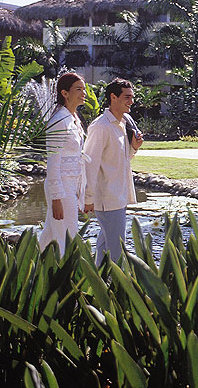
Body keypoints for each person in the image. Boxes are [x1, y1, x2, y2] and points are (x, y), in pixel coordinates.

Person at [83, 78, 143, 264]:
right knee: (117, 250)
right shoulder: (101, 126)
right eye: (127, 97)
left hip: (118, 195)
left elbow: (122, 159)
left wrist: (134, 147)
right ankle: (115, 288)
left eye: (132, 97)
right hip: (107, 198)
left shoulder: (123, 123)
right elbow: (89, 164)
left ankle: (98, 284)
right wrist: (88, 198)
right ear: (113, 97)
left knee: (105, 245)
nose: (131, 102)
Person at [40, 72, 88, 255]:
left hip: (70, 185)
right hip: (60, 187)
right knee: (67, 237)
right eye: (78, 89)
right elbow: (53, 163)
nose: (83, 93)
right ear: (65, 93)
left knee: (50, 235)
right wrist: (56, 198)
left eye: (83, 89)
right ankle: (65, 277)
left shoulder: (73, 119)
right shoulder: (58, 120)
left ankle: (33, 269)